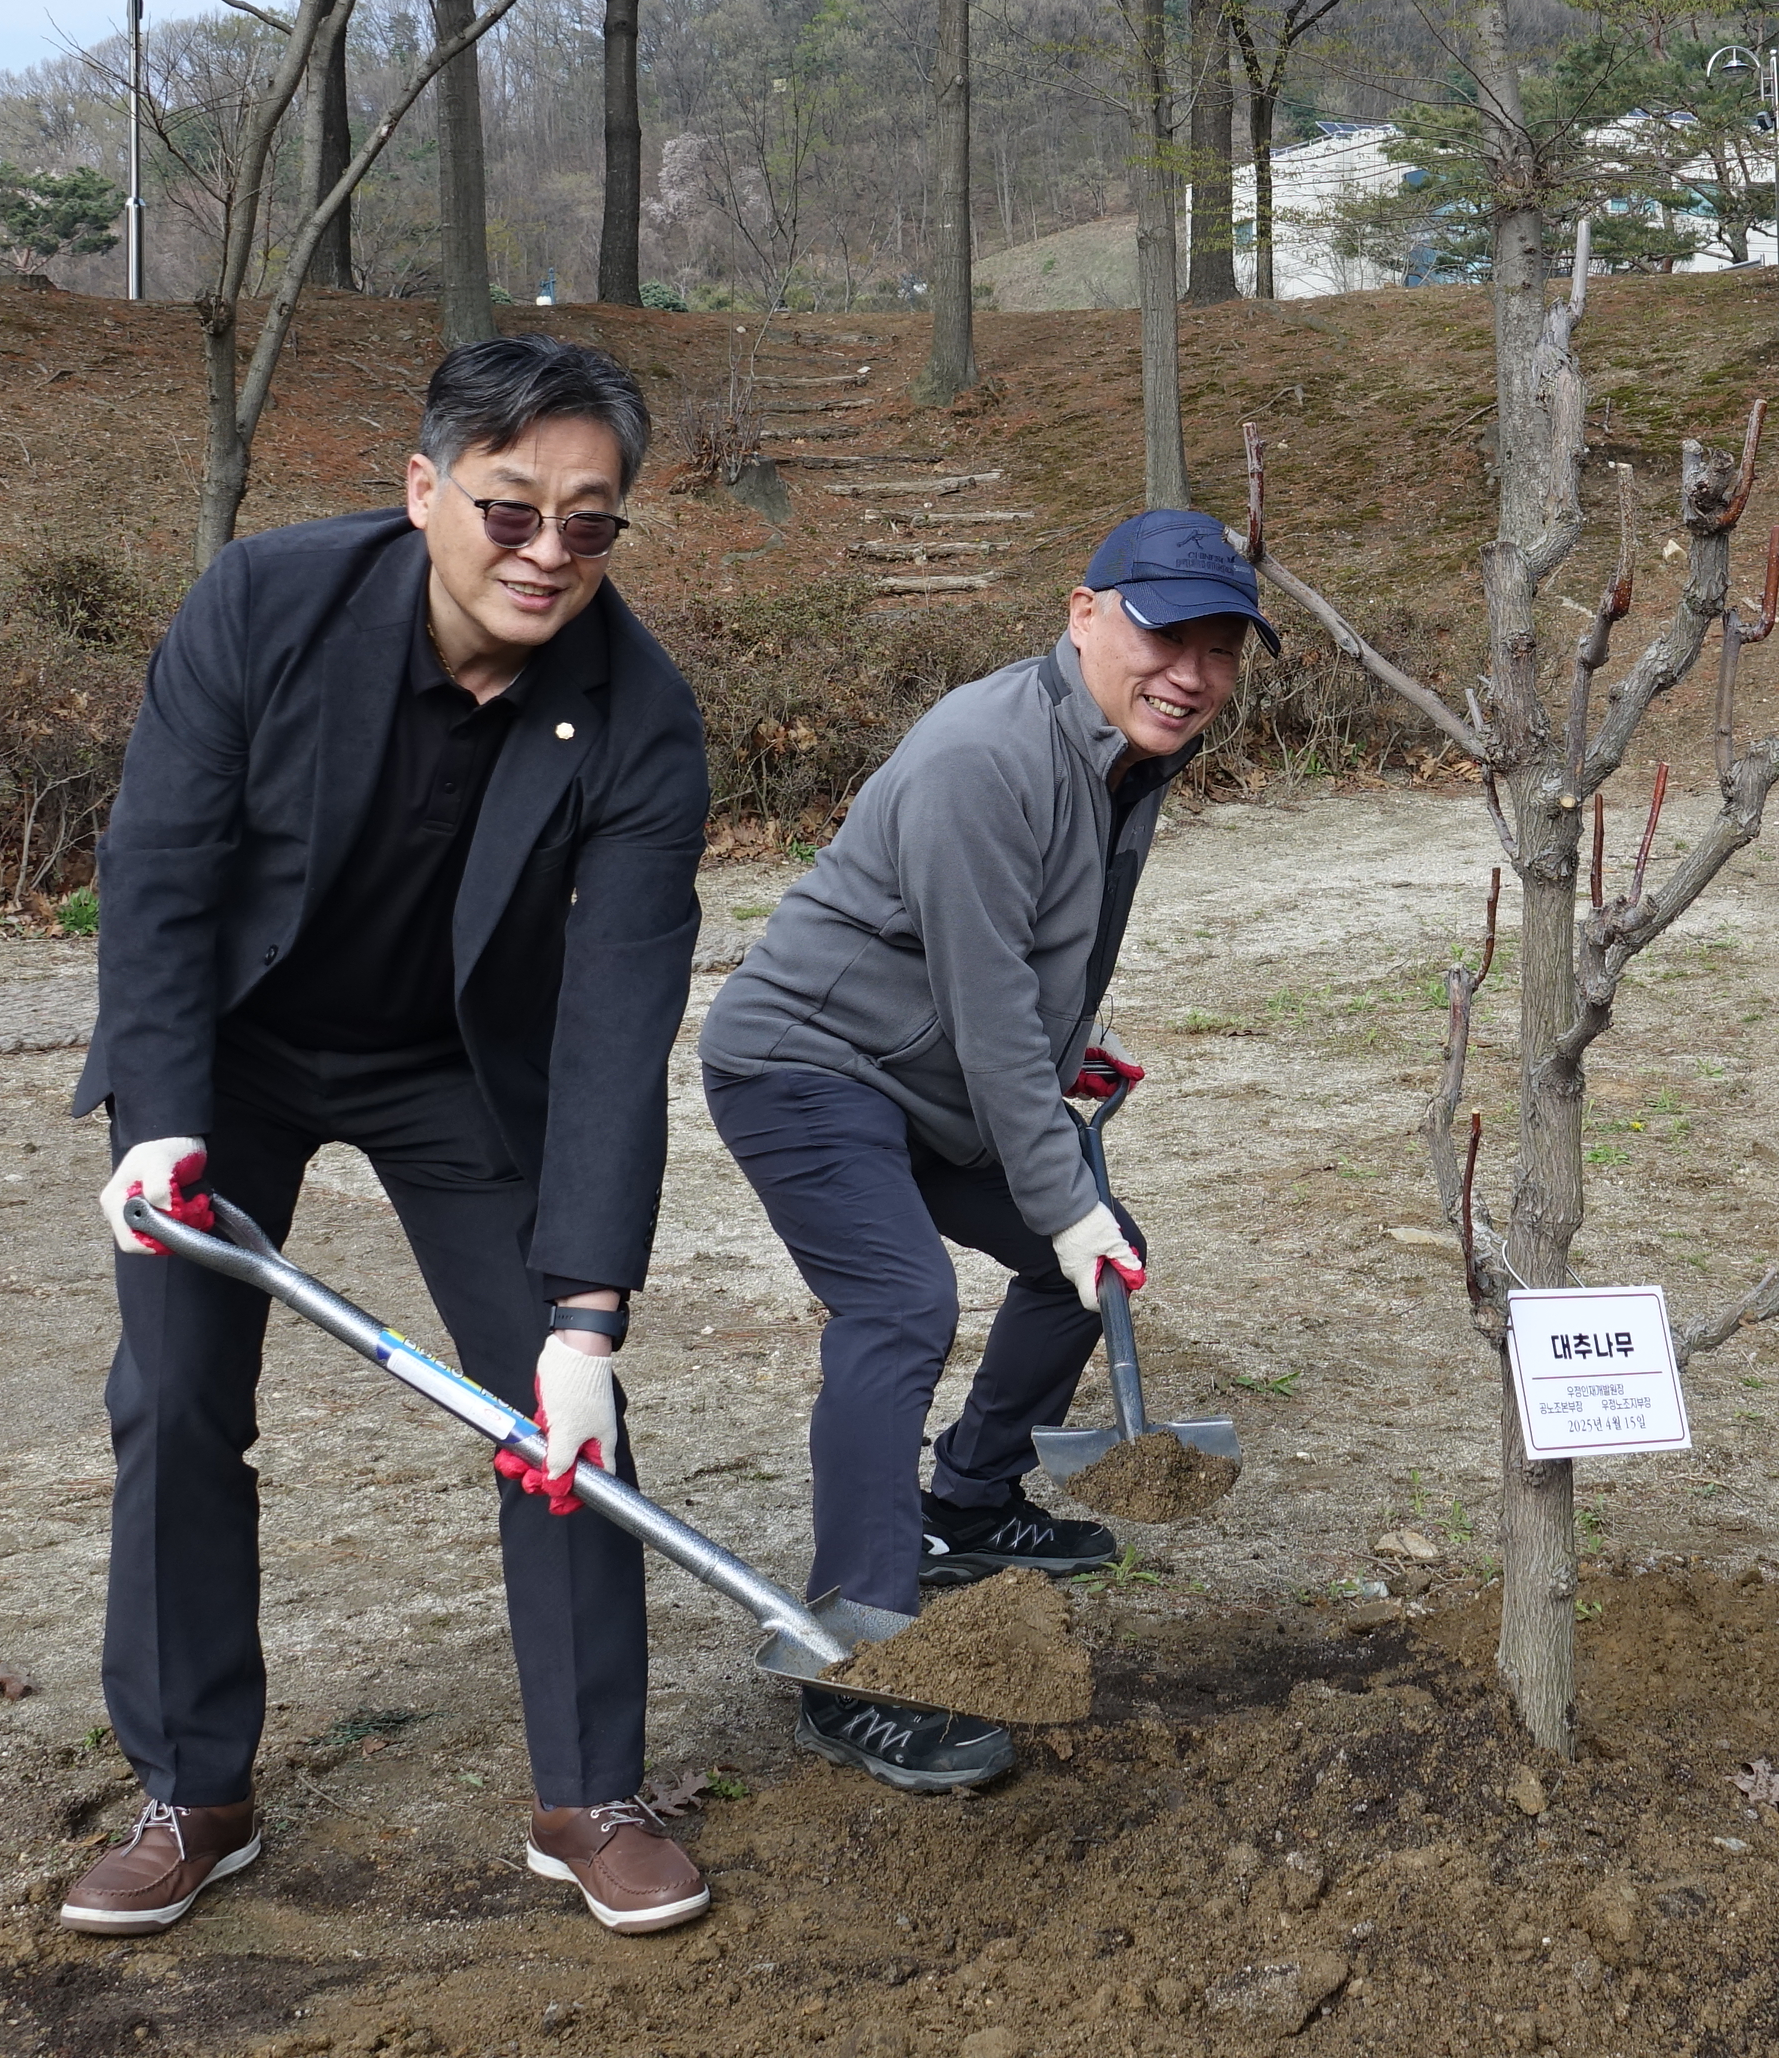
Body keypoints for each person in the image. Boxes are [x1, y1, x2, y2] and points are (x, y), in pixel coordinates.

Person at [66, 336, 714, 1941]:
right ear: (425, 491)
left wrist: (585, 1313)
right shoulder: (265, 607)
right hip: (239, 1050)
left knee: (563, 1425)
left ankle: (591, 1796)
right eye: (511, 511)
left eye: (591, 522)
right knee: (177, 1396)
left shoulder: (639, 715)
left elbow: (616, 1022)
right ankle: (191, 1790)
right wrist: (159, 1127)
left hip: (454, 1068)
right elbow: (157, 871)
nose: (550, 555)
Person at [700, 511, 1263, 1795]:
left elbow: (1022, 956)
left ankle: (969, 1497)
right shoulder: (981, 755)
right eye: (1165, 633)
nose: (1191, 670)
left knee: (1095, 1262)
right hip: (807, 1062)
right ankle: (856, 1649)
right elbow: (986, 1001)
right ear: (1083, 615)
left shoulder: (1125, 754)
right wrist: (1052, 1137)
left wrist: (1081, 1045)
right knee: (899, 1302)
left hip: (931, 1070)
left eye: (1220, 647)